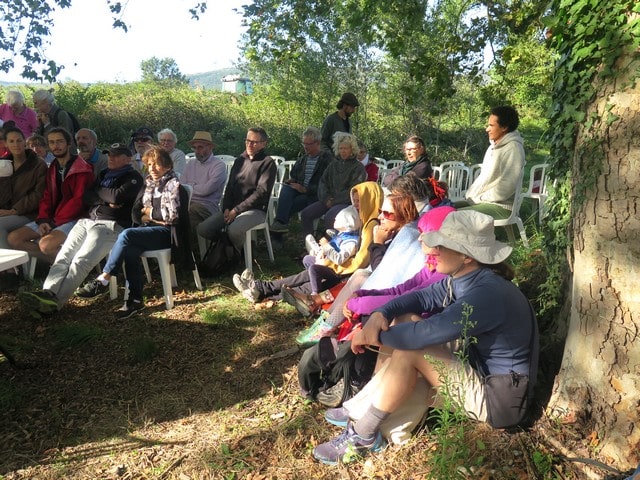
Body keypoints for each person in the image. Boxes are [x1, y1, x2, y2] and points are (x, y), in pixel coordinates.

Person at [312, 210, 538, 465]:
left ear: (466, 255)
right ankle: (372, 406)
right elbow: (419, 298)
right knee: (403, 319)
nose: (431, 250)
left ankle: (364, 433)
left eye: (441, 245)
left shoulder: (488, 293)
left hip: (499, 401)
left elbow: (427, 333)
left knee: (413, 349)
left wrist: (368, 336)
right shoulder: (465, 278)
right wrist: (380, 314)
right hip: (477, 367)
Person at [296, 206, 453, 405]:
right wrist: (361, 295)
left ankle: (356, 382)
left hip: (419, 333)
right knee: (367, 306)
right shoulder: (432, 263)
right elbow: (401, 288)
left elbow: (407, 294)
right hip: (397, 318)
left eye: (387, 213)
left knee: (376, 316)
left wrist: (377, 245)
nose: (419, 239)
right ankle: (343, 365)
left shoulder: (443, 272)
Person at [17, 143, 143, 314]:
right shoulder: (105, 174)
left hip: (110, 226)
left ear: (128, 158)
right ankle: (48, 292)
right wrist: (104, 198)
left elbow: (117, 195)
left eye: (116, 155)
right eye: (109, 154)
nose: (111, 158)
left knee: (81, 261)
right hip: (86, 221)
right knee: (63, 257)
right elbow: (86, 196)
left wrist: (100, 193)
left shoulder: (133, 177)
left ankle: (54, 304)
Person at [292, 193, 421, 345]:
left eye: (387, 213)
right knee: (319, 271)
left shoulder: (404, 235)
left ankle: (324, 322)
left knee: (357, 276)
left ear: (403, 214)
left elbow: (383, 273)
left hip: (375, 282)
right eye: (380, 211)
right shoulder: (380, 227)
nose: (380, 216)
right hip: (350, 269)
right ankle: (323, 321)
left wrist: (377, 243)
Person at [232, 182, 383, 302]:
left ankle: (261, 291)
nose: (356, 205)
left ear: (370, 201)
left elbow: (361, 261)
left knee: (308, 282)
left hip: (345, 274)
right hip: (339, 267)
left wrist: (330, 260)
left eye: (359, 201)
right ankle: (261, 289)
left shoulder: (371, 225)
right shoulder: (365, 220)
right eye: (354, 201)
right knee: (305, 278)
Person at [88, 146, 183, 319]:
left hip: (167, 233)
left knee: (127, 235)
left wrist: (148, 213)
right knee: (130, 249)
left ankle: (104, 277)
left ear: (167, 165)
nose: (152, 169)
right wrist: (147, 215)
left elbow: (171, 217)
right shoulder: (149, 183)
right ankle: (135, 300)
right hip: (148, 230)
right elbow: (136, 211)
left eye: (157, 165)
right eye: (149, 164)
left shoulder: (173, 184)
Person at [7, 127, 94, 264]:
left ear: (69, 144)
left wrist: (53, 223)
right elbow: (46, 196)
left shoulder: (82, 168)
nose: (56, 146)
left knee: (46, 245)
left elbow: (78, 201)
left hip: (75, 218)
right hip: (52, 218)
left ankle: (76, 269)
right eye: (52, 142)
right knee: (14, 239)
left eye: (59, 142)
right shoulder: (53, 166)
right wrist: (43, 220)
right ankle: (64, 263)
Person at [197, 127, 276, 251]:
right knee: (204, 229)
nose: (250, 144)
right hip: (232, 209)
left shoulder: (267, 163)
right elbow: (229, 187)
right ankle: (231, 250)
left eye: (254, 142)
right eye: (247, 140)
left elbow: (261, 192)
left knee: (234, 230)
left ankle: (240, 253)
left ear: (263, 144)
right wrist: (227, 208)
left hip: (255, 210)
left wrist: (237, 210)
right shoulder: (240, 161)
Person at [458, 106, 525, 220]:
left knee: (451, 217)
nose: (487, 129)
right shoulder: (492, 148)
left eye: (491, 125)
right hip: (482, 202)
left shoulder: (513, 148)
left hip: (501, 207)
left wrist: (482, 198)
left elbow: (507, 186)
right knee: (442, 209)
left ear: (504, 127)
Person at [300, 132, 366, 237]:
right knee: (306, 214)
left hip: (346, 203)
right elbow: (323, 182)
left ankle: (330, 246)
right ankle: (309, 243)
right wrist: (326, 198)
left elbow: (354, 190)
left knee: (330, 216)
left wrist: (334, 201)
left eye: (346, 148)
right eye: (340, 148)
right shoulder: (333, 164)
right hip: (328, 200)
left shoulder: (358, 168)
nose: (343, 151)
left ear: (352, 149)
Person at [269, 127, 334, 233]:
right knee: (286, 189)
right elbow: (295, 175)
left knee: (288, 204)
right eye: (304, 144)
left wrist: (305, 189)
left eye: (308, 144)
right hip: (300, 192)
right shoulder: (303, 159)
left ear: (317, 143)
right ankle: (281, 224)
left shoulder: (327, 160)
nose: (305, 147)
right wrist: (292, 181)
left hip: (316, 196)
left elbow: (328, 186)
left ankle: (279, 228)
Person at [296, 205, 361, 299]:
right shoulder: (342, 234)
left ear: (347, 225)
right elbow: (333, 246)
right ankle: (316, 280)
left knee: (314, 269)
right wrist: (322, 251)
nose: (335, 219)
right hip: (327, 262)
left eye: (338, 219)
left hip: (336, 271)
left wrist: (326, 246)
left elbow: (339, 259)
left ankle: (315, 294)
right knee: (307, 259)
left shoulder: (351, 242)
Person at [0, 126, 48, 249]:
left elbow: (39, 194)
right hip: (5, 210)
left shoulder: (38, 164)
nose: (16, 144)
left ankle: (10, 267)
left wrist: (14, 210)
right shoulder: (3, 164)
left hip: (28, 213)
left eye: (19, 140)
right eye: (11, 141)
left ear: (24, 141)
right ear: (5, 143)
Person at [180, 131, 227, 237]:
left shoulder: (219, 166)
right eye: (195, 148)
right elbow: (181, 187)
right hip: (188, 205)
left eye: (200, 147)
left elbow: (207, 190)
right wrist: (195, 188)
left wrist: (190, 187)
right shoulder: (191, 163)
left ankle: (189, 247)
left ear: (210, 147)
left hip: (208, 208)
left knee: (189, 213)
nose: (197, 151)